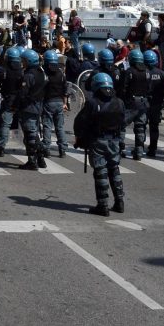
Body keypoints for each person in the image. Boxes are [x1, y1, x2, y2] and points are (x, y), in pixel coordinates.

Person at [73, 71, 125, 217]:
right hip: (114, 140)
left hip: (98, 141)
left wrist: (79, 138)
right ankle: (119, 201)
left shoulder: (92, 102)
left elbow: (80, 122)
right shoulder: (119, 102)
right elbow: (122, 122)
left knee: (101, 171)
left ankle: (103, 205)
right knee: (114, 169)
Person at [118, 49, 150, 160]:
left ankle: (120, 149)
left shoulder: (129, 72)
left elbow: (123, 89)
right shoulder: (147, 72)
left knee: (121, 126)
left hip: (130, 104)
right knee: (140, 128)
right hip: (142, 103)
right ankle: (139, 152)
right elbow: (149, 88)